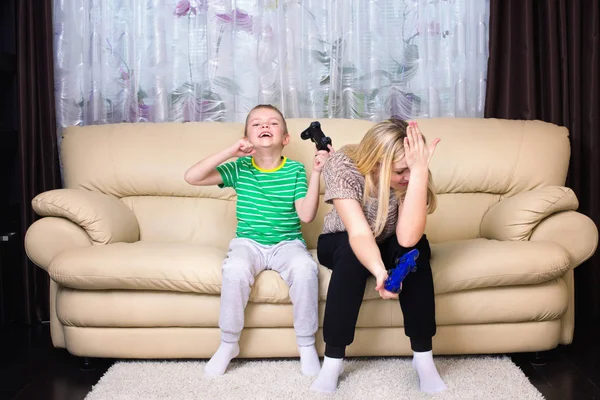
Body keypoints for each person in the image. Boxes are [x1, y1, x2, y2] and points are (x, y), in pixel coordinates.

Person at [184, 104, 333, 377]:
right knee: (235, 270)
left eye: (273, 123)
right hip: (248, 243)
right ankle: (229, 343)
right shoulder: (240, 167)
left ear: (286, 139)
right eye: (256, 124)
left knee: (305, 269)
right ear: (247, 138)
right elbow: (192, 177)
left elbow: (307, 215)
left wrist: (316, 173)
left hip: (287, 244)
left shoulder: (296, 170)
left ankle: (306, 344)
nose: (265, 126)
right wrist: (231, 151)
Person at [310, 119, 447, 394]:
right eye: (400, 171)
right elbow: (359, 233)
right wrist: (379, 271)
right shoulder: (342, 165)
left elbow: (407, 238)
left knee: (415, 251)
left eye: (412, 169)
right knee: (352, 254)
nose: (407, 175)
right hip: (342, 239)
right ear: (375, 164)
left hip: (391, 240)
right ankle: (333, 362)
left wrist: (418, 173)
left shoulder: (414, 172)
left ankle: (423, 360)